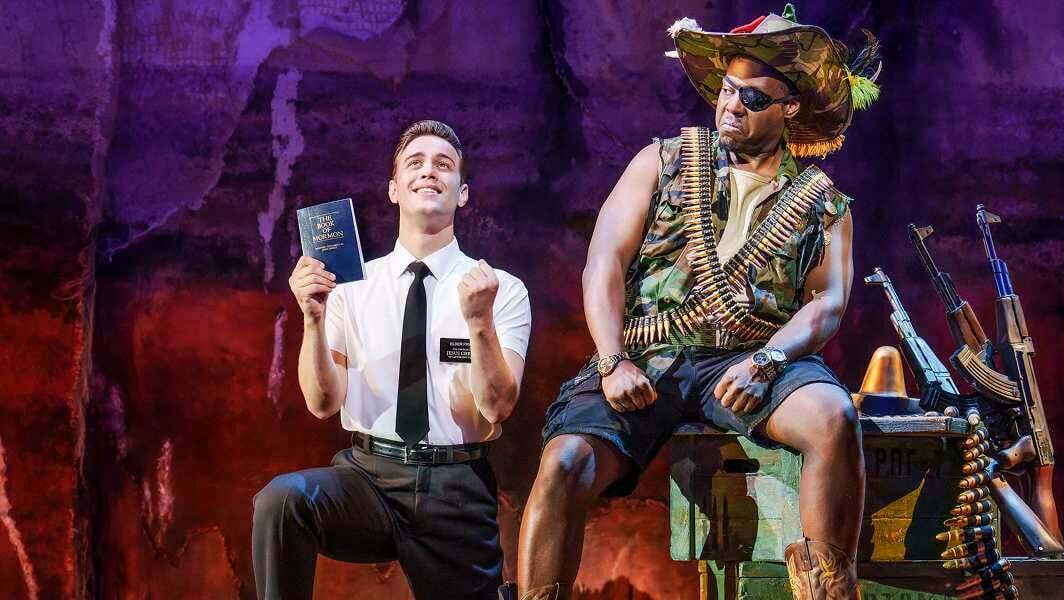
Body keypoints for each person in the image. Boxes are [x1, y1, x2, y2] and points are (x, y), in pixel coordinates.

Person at [507, 6, 881, 600]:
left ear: (788, 109)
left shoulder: (821, 201)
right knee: (563, 464)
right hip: (649, 354)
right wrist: (611, 360)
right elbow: (604, 261)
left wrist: (769, 361)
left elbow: (828, 302)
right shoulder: (662, 160)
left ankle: (831, 592)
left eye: (754, 99)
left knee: (834, 419)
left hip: (751, 359)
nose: (732, 106)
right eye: (728, 91)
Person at [253, 120, 532, 600]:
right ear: (393, 189)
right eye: (415, 163)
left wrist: (479, 323)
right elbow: (322, 403)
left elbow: (498, 407)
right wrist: (314, 319)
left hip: (455, 487)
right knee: (282, 502)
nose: (429, 172)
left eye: (444, 165)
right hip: (369, 478)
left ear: (462, 193)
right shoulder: (349, 288)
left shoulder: (498, 289)